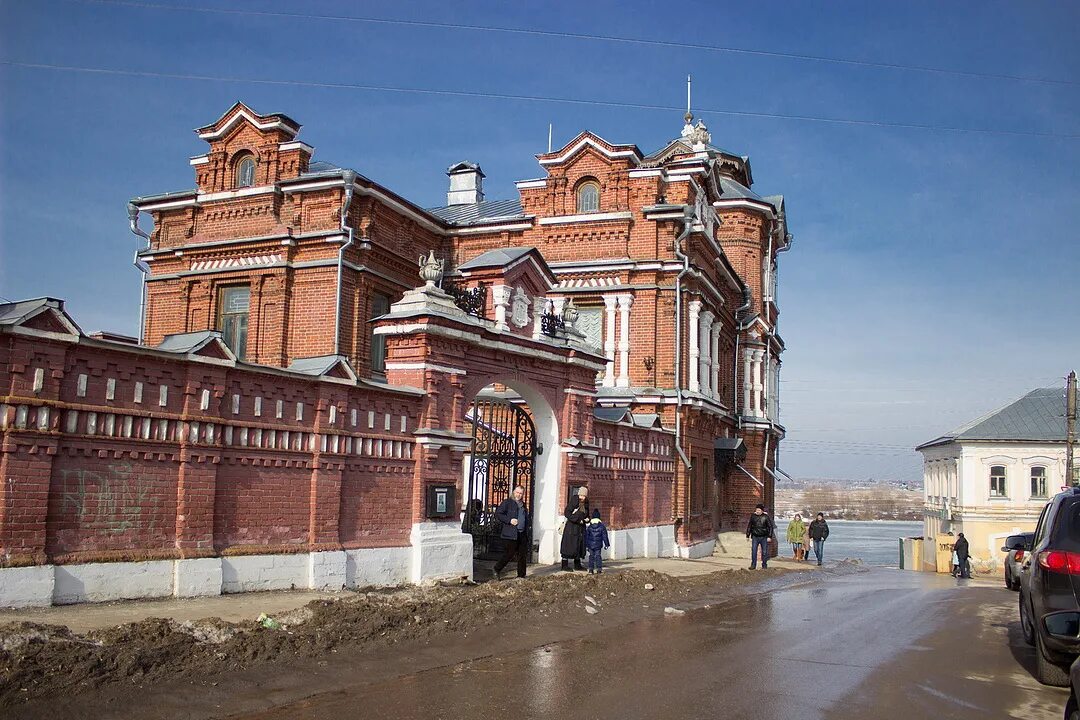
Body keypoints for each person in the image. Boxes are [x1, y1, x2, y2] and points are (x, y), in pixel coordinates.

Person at [492, 486, 529, 580]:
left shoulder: (523, 505)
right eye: (517, 492)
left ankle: (521, 575)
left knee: (522, 555)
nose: (518, 495)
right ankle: (496, 569)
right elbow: (498, 514)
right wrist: (509, 520)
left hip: (522, 533)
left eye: (521, 493)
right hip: (510, 533)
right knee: (509, 554)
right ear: (513, 492)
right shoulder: (507, 502)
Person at [561, 486, 590, 571]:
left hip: (580, 529)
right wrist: (577, 520)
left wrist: (587, 519)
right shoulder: (574, 501)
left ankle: (577, 564)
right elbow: (567, 513)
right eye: (581, 495)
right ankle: (564, 565)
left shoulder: (586, 503)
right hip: (571, 528)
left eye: (584, 496)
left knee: (579, 546)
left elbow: (587, 514)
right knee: (568, 546)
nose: (582, 498)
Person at [746, 503, 775, 569]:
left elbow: (770, 527)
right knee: (754, 551)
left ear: (762, 510)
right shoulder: (753, 516)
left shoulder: (765, 517)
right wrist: (747, 535)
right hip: (755, 536)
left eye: (759, 510)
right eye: (757, 510)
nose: (757, 511)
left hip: (764, 537)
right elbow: (749, 526)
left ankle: (764, 565)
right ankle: (753, 565)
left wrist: (769, 536)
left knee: (764, 552)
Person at [584, 508, 610, 574]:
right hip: (598, 545)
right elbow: (604, 536)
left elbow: (586, 537)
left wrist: (586, 545)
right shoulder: (602, 527)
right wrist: (607, 544)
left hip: (590, 545)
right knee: (598, 556)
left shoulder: (589, 527)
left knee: (591, 556)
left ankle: (590, 569)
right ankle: (599, 569)